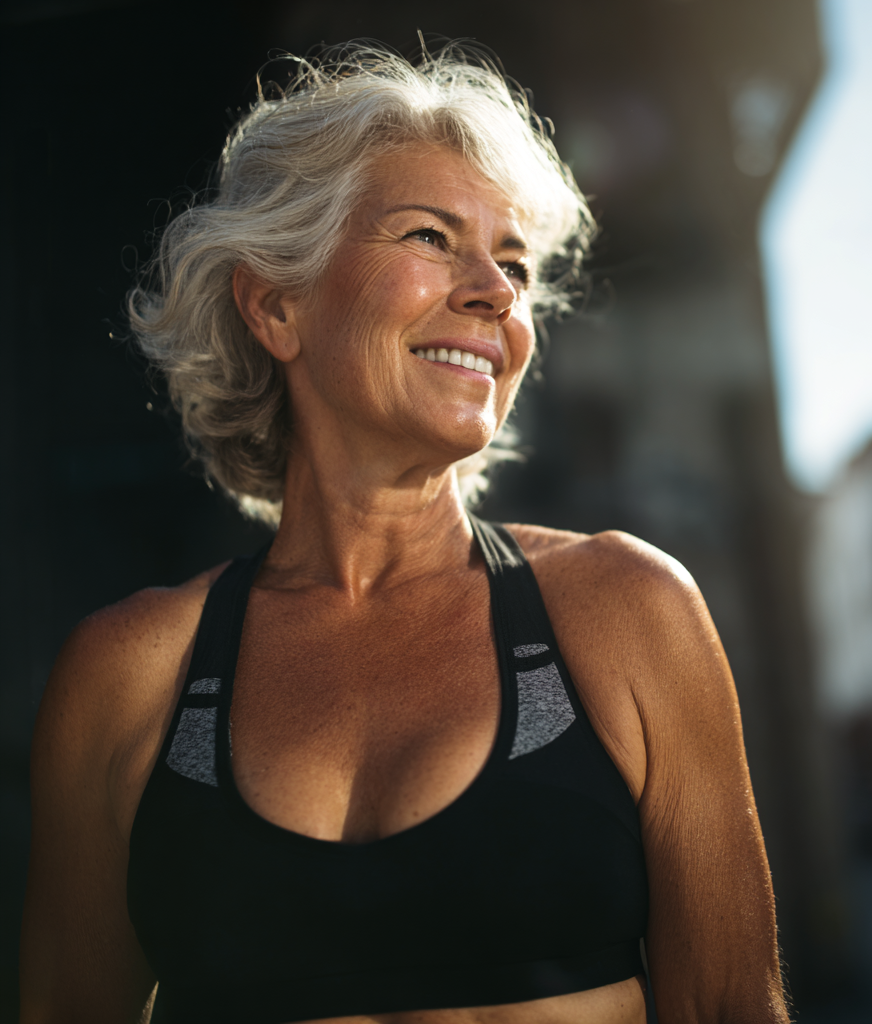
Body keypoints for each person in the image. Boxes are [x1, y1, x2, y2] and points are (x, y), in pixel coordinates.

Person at [20, 44, 788, 1024]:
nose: (496, 292)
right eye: (431, 236)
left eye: (511, 262)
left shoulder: (626, 608)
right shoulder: (126, 675)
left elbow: (732, 1006)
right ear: (275, 303)